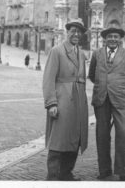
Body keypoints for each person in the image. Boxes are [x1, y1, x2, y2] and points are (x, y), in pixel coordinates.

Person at [88, 26, 125, 181]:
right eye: (109, 36)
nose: (112, 39)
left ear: (120, 39)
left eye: (115, 36)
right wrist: (102, 85)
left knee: (122, 134)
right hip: (101, 99)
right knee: (102, 135)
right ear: (105, 38)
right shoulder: (97, 54)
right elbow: (91, 75)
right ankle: (104, 170)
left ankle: (123, 172)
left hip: (119, 99)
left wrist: (124, 91)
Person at [42, 18, 88, 181]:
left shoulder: (81, 54)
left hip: (78, 102)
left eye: (79, 31)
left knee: (75, 139)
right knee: (58, 141)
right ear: (67, 32)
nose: (76, 34)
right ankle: (53, 177)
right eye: (73, 31)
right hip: (62, 101)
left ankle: (66, 174)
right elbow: (48, 79)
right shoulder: (57, 51)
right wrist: (51, 103)